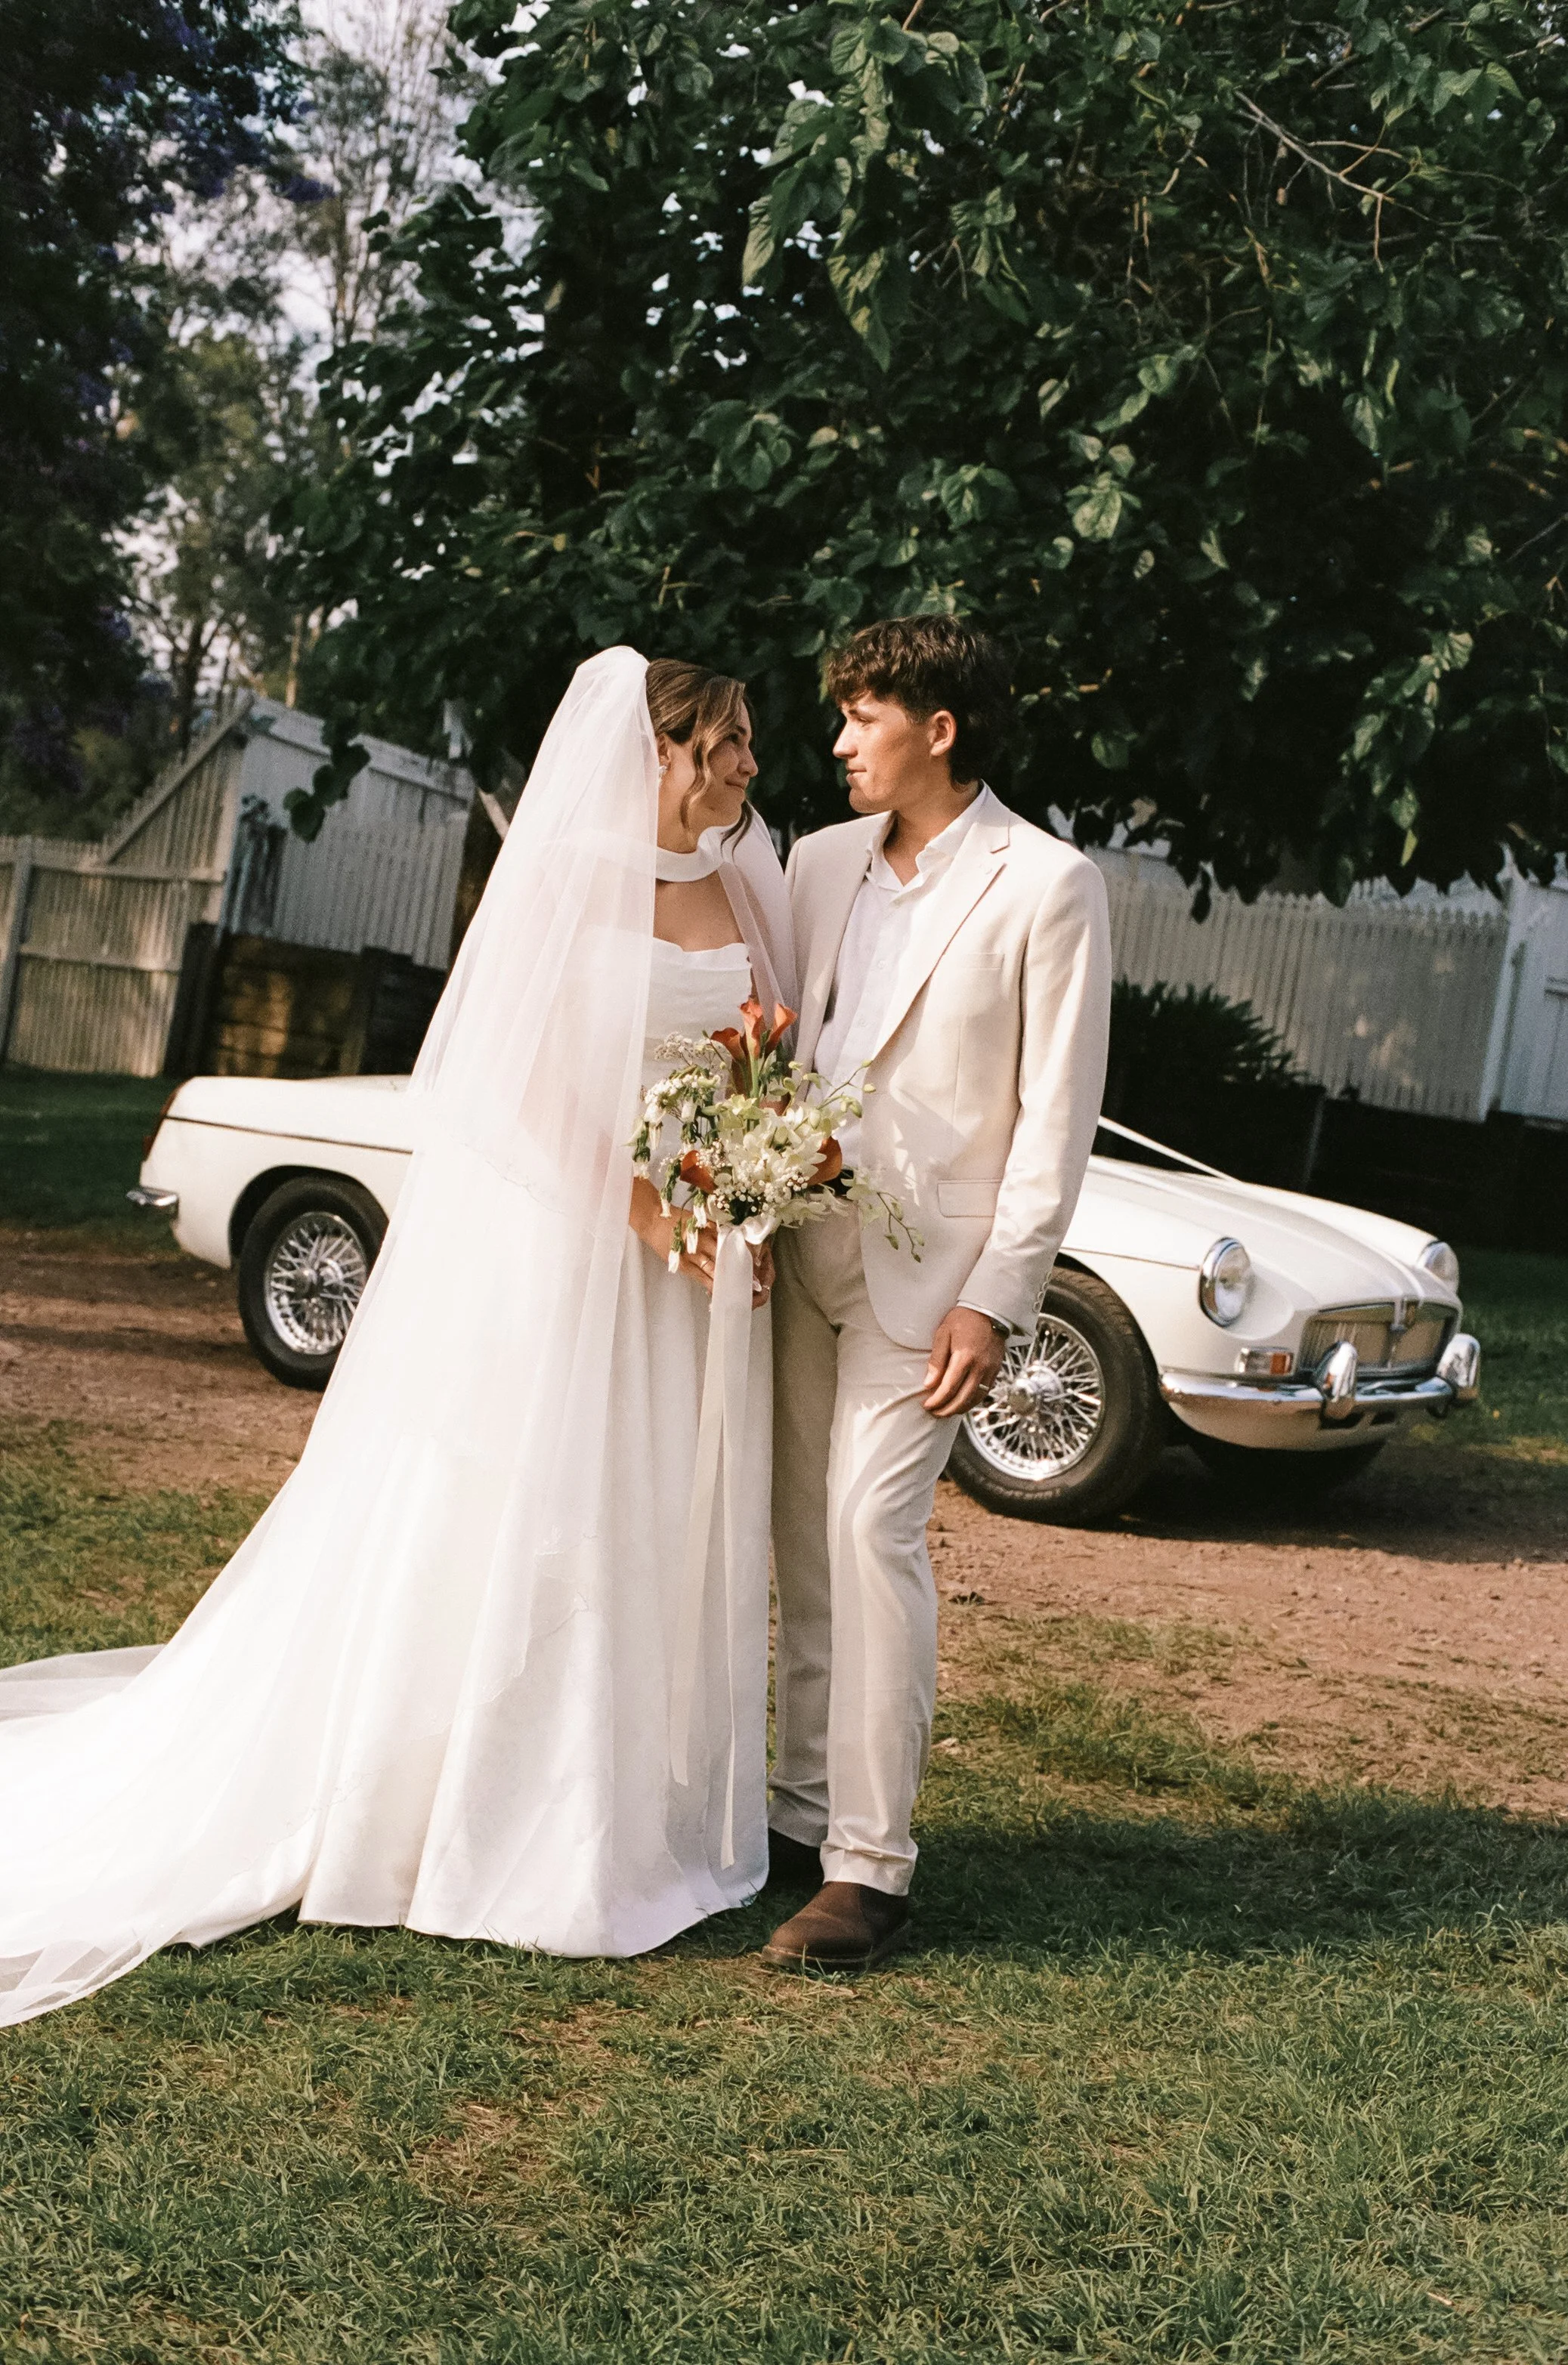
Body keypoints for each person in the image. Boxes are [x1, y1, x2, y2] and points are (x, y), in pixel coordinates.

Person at [0, 646, 794, 2023]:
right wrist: (649, 1216)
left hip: (692, 1254)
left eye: (744, 746)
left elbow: (762, 1059)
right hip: (569, 1249)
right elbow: (518, 1091)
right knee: (531, 1504)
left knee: (647, 1507)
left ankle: (625, 1794)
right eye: (722, 744)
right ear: (654, 750)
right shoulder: (565, 883)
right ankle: (478, 1795)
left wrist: (753, 1182)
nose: (743, 767)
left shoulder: (740, 882)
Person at [764, 616, 1112, 1971]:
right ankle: (797, 1816)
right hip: (799, 1249)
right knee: (801, 1537)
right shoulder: (817, 861)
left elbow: (1053, 1112)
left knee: (868, 1528)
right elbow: (782, 1043)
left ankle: (869, 1869)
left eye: (862, 716)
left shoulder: (1049, 884)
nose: (840, 741)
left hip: (936, 1277)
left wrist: (1000, 1294)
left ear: (939, 728)